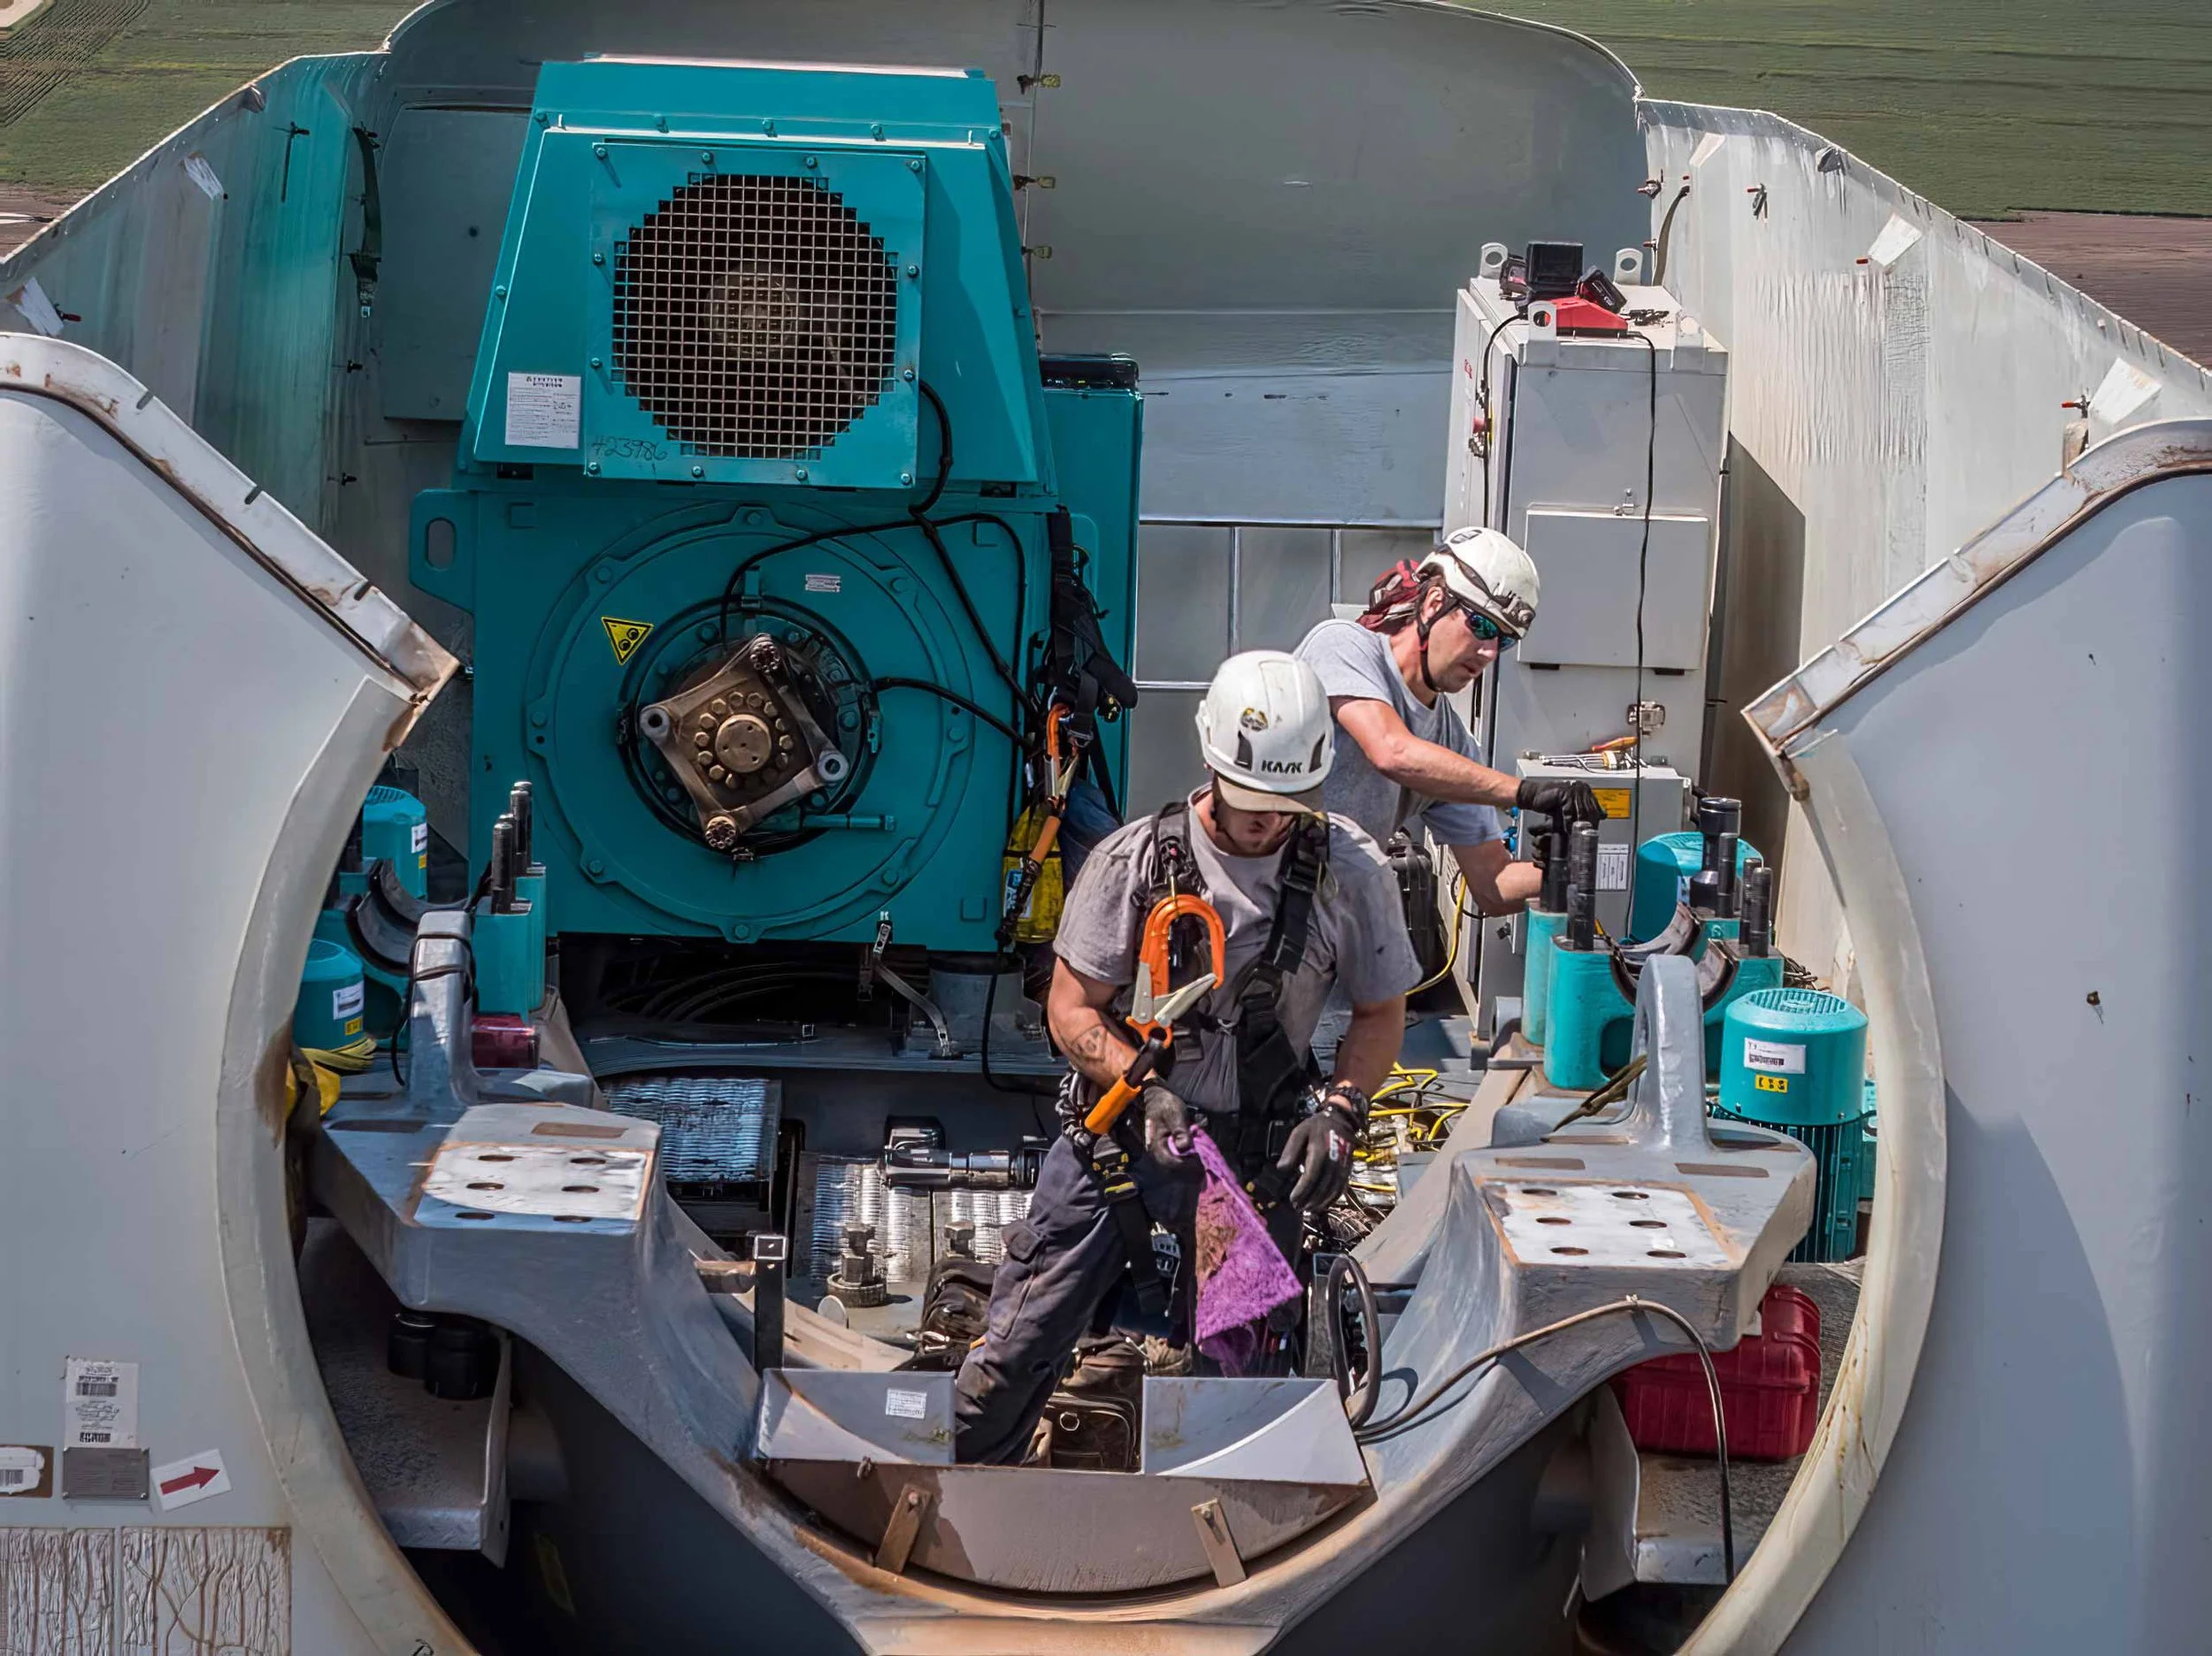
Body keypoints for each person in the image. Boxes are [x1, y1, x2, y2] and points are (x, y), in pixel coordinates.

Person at [953, 651, 1420, 1464]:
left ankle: (1208, 1544)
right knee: (1018, 1349)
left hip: (1250, 1165)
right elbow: (1069, 1008)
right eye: (1250, 806)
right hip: (1123, 1148)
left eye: (1285, 807)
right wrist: (1140, 1090)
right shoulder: (1134, 864)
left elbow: (1381, 1013)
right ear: (1210, 761)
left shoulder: (1349, 871)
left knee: (1233, 1389)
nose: (1267, 823)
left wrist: (1341, 1111)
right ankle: (953, 1491)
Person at [1294, 526, 1602, 916]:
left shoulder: (1451, 747)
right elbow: (1391, 751)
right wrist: (1524, 793)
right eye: (1482, 626)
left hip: (1327, 929)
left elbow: (1492, 886)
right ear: (1433, 603)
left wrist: (1561, 869)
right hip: (1252, 907)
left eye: (1504, 640)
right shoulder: (1343, 646)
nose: (1489, 651)